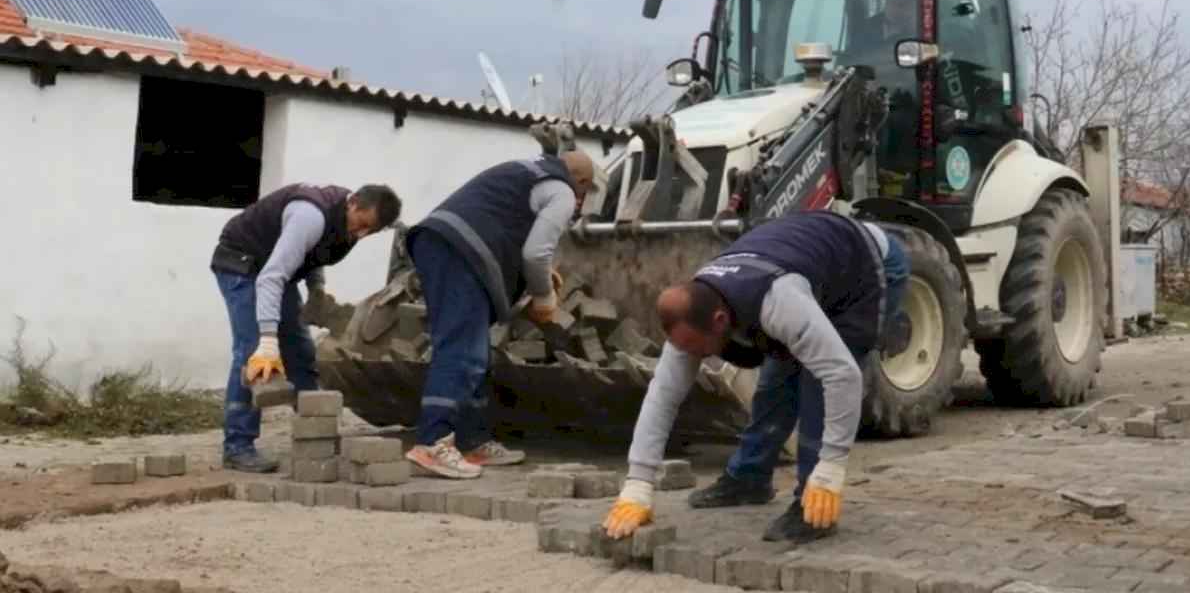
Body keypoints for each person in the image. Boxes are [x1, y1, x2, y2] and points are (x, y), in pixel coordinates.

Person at [602, 209, 909, 543]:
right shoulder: (692, 312)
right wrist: (637, 485)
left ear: (721, 321)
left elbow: (842, 375)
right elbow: (663, 395)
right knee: (775, 381)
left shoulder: (777, 302)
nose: (692, 357)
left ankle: (814, 502)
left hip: (867, 269)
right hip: (809, 266)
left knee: (817, 383)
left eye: (698, 349)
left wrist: (832, 466)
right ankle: (748, 480)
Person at [402, 151, 599, 479]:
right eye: (584, 193)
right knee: (461, 349)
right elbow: (536, 252)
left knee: (475, 350)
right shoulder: (562, 191)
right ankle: (433, 443)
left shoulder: (528, 172)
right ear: (580, 183)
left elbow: (508, 224)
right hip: (459, 251)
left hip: (441, 242)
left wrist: (541, 272)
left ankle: (472, 440)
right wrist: (544, 299)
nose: (579, 203)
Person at [211, 183, 403, 473]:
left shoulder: (347, 224)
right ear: (353, 204)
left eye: (370, 231)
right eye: (362, 225)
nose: (361, 234)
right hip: (242, 263)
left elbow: (315, 252)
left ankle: (317, 435)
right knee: (252, 353)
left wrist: (316, 290)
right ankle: (237, 447)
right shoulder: (309, 215)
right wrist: (267, 339)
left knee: (301, 352)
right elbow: (271, 278)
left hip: (274, 270)